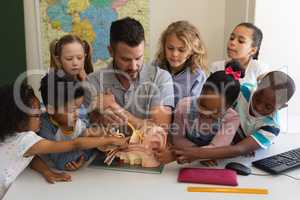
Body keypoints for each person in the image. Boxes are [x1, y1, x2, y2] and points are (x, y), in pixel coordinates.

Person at [0, 82, 128, 199]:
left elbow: (31, 157)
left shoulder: (14, 136)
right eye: (37, 115)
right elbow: (75, 144)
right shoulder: (26, 139)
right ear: (19, 120)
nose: (41, 117)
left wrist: (46, 171)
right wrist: (108, 140)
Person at [172, 71, 296, 164]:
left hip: (238, 156)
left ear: (281, 107)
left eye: (268, 107)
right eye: (257, 98)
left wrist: (199, 154)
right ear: (257, 86)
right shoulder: (243, 91)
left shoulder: (272, 127)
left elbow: (240, 148)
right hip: (214, 143)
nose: (259, 107)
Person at [87, 17, 174, 129]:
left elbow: (160, 132)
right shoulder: (93, 82)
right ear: (111, 51)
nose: (133, 67)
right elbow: (87, 132)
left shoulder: (161, 78)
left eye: (138, 58)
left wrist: (115, 108)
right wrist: (96, 117)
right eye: (126, 59)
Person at [156, 61, 243, 164]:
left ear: (228, 107)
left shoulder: (232, 118)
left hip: (215, 164)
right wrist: (201, 155)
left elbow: (218, 147)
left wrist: (198, 155)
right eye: (203, 105)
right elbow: (178, 139)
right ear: (201, 91)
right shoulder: (183, 106)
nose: (205, 113)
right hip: (188, 159)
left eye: (214, 112)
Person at [154, 20, 207, 106]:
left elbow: (194, 110)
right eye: (170, 48)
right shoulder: (155, 67)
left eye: (181, 50)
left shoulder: (197, 76)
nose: (174, 54)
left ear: (191, 51)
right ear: (164, 46)